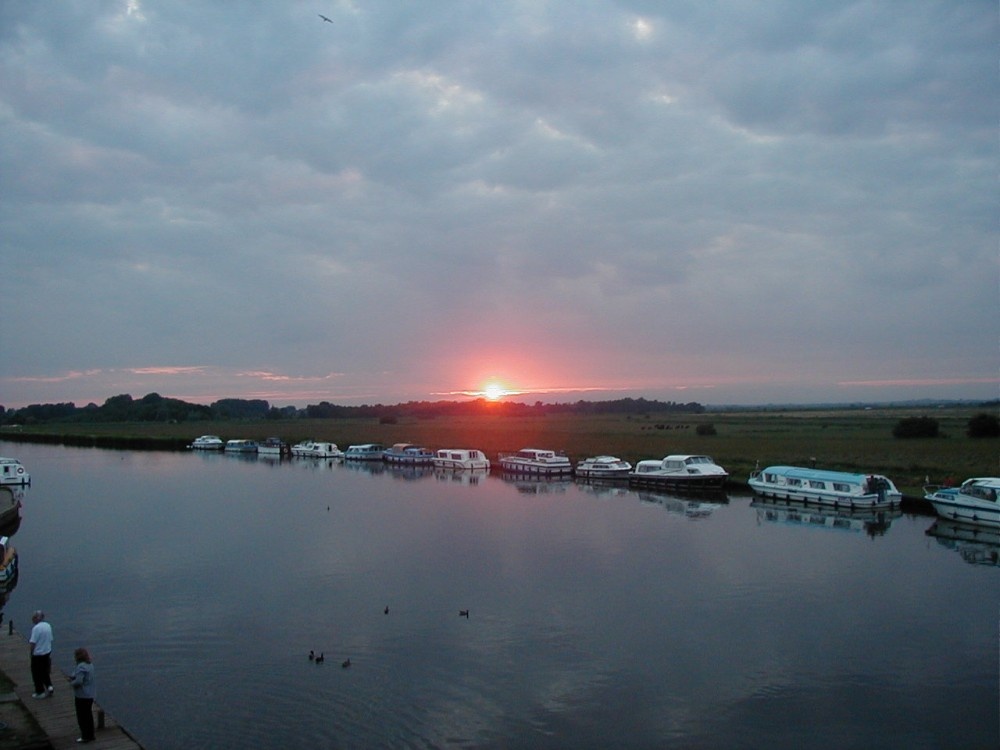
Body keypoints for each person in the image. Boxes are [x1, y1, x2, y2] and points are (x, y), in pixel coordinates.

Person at [70, 647, 96, 743]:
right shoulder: (90, 665)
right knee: (89, 716)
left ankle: (85, 736)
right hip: (90, 695)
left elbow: (79, 681)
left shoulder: (81, 667)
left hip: (82, 696)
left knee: (82, 717)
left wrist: (71, 683)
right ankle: (91, 735)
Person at [28, 610, 53, 698]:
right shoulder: (48, 625)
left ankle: (40, 691)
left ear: (37, 618)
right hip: (47, 652)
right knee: (45, 671)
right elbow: (50, 639)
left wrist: (31, 653)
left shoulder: (36, 628)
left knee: (36, 673)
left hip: (38, 654)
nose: (32, 620)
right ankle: (49, 686)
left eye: (34, 618)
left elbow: (33, 643)